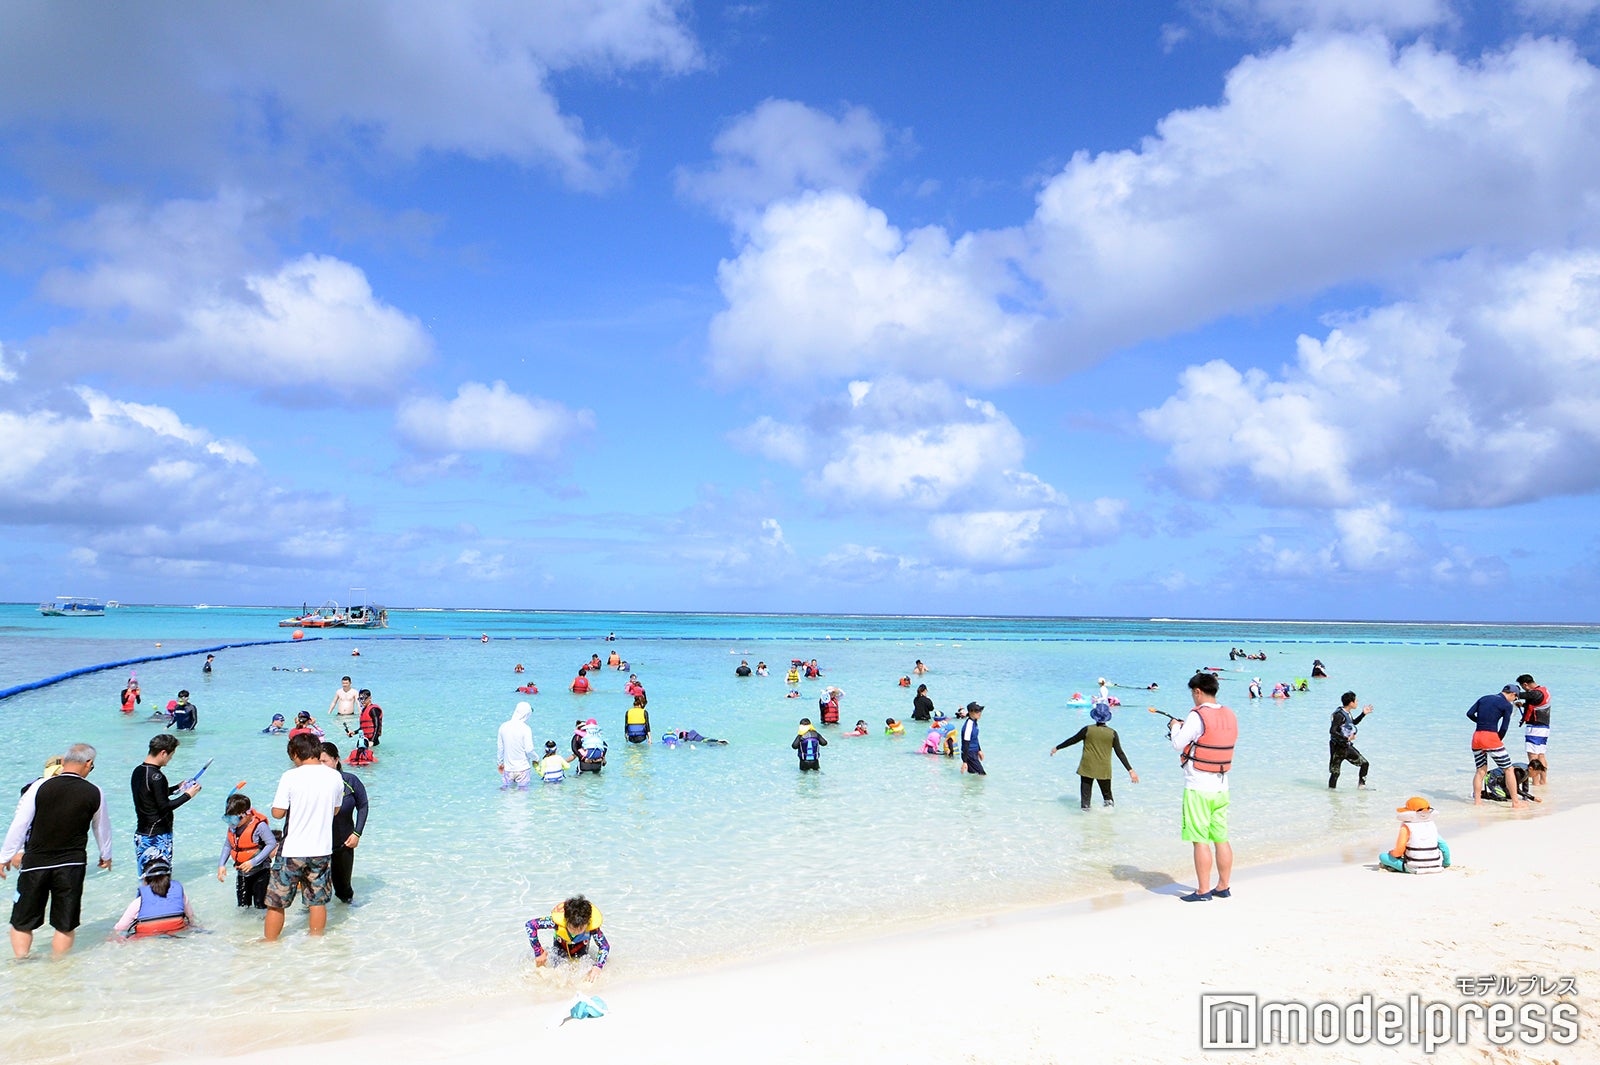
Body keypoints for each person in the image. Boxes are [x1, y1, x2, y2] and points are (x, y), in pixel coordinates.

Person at [1, 744, 113, 958]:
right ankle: (58, 966)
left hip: (36, 863)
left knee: (22, 920)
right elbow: (102, 828)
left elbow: (20, 823)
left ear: (64, 761)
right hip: (72, 865)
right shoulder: (94, 791)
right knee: (64, 923)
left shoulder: (39, 787)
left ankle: (21, 962)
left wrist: (5, 856)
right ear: (88, 763)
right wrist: (105, 855)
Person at [264, 733, 345, 941]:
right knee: (317, 901)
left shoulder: (290, 776)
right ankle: (316, 941)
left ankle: (269, 943)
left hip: (293, 850)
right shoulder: (335, 776)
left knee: (276, 900)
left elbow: (278, 813)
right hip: (322, 849)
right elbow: (336, 810)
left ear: (295, 753)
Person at [1167, 672, 1237, 902]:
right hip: (1222, 785)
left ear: (1198, 691)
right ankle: (1223, 886)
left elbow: (1178, 744)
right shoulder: (1229, 713)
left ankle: (1203, 890)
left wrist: (1176, 727)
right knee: (1221, 838)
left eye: (1192, 693)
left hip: (1199, 786)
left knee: (1200, 840)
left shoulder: (1197, 715)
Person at [132, 734, 201, 876]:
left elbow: (151, 796)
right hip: (158, 836)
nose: (171, 759)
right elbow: (165, 806)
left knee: (145, 878)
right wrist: (188, 795)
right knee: (161, 879)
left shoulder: (138, 771)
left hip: (142, 834)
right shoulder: (157, 777)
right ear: (163, 753)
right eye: (171, 755)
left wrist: (177, 787)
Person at [1051, 703, 1138, 809]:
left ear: (1094, 716)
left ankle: (1085, 822)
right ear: (1107, 718)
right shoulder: (1112, 733)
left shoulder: (1087, 730)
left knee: (1085, 802)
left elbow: (1072, 740)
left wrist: (1057, 747)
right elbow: (1120, 753)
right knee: (1108, 798)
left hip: (1087, 768)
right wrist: (1130, 770)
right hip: (1104, 770)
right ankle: (1108, 821)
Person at [319, 742, 369, 905]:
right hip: (317, 845)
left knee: (343, 890)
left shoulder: (350, 780)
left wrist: (357, 833)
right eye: (318, 761)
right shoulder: (313, 784)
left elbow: (363, 805)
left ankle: (347, 922)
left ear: (336, 760)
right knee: (315, 892)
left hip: (343, 843)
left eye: (324, 761)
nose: (321, 765)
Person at [526, 895, 609, 983]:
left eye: (581, 928)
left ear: (587, 922)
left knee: (586, 976)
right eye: (572, 928)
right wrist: (538, 952)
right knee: (554, 976)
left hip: (581, 951)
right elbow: (530, 925)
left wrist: (598, 966)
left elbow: (605, 946)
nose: (576, 931)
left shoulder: (593, 928)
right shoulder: (556, 923)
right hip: (560, 949)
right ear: (566, 920)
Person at [217, 792, 276, 909]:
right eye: (228, 819)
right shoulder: (233, 827)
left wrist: (253, 862)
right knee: (243, 906)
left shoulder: (259, 826)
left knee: (261, 905)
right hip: (242, 873)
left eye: (234, 819)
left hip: (260, 872)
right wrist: (221, 865)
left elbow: (271, 843)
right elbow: (228, 845)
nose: (231, 823)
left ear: (246, 814)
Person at [1468, 686, 1524, 809]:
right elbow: (1504, 728)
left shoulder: (1484, 698)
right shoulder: (1506, 705)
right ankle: (1516, 803)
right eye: (1515, 698)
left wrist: (1480, 722)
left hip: (1477, 737)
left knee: (1480, 771)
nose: (1513, 701)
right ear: (1513, 694)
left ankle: (1477, 802)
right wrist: (1497, 739)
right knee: (1509, 769)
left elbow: (1469, 713)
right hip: (1491, 737)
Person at [112, 856, 196, 937]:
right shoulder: (180, 895)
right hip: (177, 932)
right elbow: (191, 917)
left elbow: (121, 927)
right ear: (169, 878)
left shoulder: (139, 902)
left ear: (145, 880)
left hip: (147, 937)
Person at [1380, 797, 1450, 874]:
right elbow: (1444, 846)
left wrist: (1392, 854)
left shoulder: (1407, 826)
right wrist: (1446, 863)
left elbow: (1399, 851)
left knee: (1383, 856)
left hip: (1414, 868)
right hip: (1436, 866)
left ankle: (1396, 867)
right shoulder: (1431, 825)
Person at [1328, 692, 1374, 789]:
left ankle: (1361, 787)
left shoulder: (1347, 712)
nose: (1357, 702)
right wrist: (1347, 738)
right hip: (1337, 748)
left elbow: (1352, 723)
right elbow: (1332, 731)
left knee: (1365, 764)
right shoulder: (1339, 715)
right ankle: (1331, 794)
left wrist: (1363, 714)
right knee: (1335, 773)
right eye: (1356, 700)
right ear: (1351, 703)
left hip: (1346, 746)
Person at [1516, 674, 1550, 785]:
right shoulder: (1543, 691)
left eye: (1522, 686)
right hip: (1544, 728)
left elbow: (1520, 695)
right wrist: (1523, 706)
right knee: (1541, 755)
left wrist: (1510, 693)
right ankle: (1543, 781)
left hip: (1534, 728)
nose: (1523, 689)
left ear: (1525, 684)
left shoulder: (1535, 693)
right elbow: (1535, 704)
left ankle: (1535, 783)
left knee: (1532, 756)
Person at [497, 702, 536, 789]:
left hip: (508, 769)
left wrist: (500, 763)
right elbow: (529, 750)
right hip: (523, 769)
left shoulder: (503, 726)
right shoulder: (526, 728)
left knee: (507, 795)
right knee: (522, 798)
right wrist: (536, 759)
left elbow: (500, 748)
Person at [959, 702, 986, 775]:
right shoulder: (969, 725)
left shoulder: (974, 721)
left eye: (980, 710)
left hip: (973, 752)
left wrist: (979, 750)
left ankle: (968, 786)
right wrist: (964, 761)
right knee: (982, 774)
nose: (979, 713)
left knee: (974, 775)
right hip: (969, 754)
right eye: (977, 711)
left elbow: (975, 738)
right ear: (970, 712)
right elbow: (966, 743)